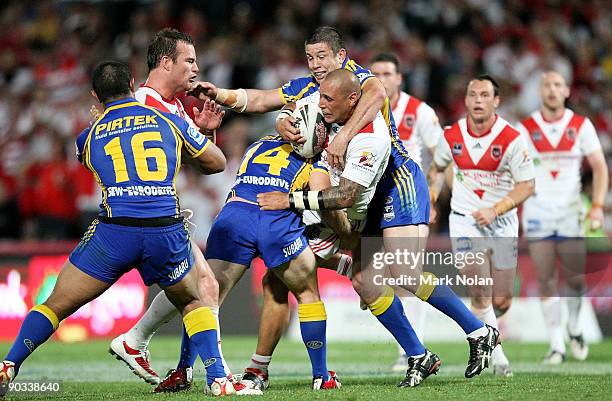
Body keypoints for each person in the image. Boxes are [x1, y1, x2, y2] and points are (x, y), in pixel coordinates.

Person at [0, 61, 258, 396]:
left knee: (54, 304)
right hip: (163, 229)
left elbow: (90, 158)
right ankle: (219, 380)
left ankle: (8, 364)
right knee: (194, 300)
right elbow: (216, 163)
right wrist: (198, 135)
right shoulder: (169, 119)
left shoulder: (89, 134)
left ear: (96, 95)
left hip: (114, 231)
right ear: (133, 84)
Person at [106, 28, 231, 388]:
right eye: (189, 61)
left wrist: (205, 133)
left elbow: (202, 161)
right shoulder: (142, 103)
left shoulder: (173, 107)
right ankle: (216, 378)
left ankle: (146, 347)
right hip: (140, 219)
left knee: (201, 287)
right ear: (165, 62)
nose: (196, 68)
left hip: (162, 216)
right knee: (203, 287)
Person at [428, 74, 536, 377]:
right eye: (473, 95)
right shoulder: (451, 136)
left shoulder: (511, 139)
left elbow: (527, 185)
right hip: (464, 221)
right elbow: (436, 169)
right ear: (465, 100)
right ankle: (498, 357)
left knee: (501, 300)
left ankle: (489, 327)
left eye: (485, 95)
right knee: (479, 290)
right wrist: (433, 199)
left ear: (496, 101)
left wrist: (496, 209)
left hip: (501, 222)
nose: (478, 100)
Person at [517, 70, 608, 364]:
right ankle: (556, 344)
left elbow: (600, 167)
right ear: (540, 92)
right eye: (547, 86)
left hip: (570, 212)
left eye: (557, 85)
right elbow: (514, 169)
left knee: (575, 279)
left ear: (567, 91)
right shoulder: (526, 127)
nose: (552, 90)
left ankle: (574, 326)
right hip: (538, 211)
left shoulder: (580, 125)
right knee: (545, 279)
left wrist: (596, 206)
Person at [369, 52, 443, 372]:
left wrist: (434, 196)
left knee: (406, 275)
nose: (382, 79)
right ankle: (412, 347)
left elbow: (441, 155)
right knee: (375, 277)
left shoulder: (419, 112)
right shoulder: (366, 107)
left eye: (388, 73)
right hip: (374, 201)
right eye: (376, 74)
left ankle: (413, 349)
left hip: (408, 196)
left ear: (399, 78)